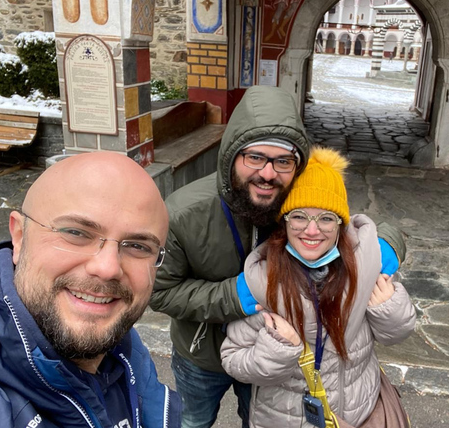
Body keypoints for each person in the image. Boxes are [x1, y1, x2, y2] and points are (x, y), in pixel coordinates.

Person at [150, 86, 405, 428]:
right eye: (255, 157)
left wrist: (383, 249)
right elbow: (160, 290)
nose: (268, 173)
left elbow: (341, 221)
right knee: (193, 421)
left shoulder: (293, 197)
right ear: (231, 156)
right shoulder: (183, 213)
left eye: (282, 161)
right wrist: (234, 296)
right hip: (202, 355)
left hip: (274, 356)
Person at [0, 152, 182, 428]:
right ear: (19, 237)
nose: (107, 268)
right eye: (76, 233)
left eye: (137, 246)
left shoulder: (116, 332)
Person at [220, 147, 416, 428]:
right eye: (299, 216)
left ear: (341, 224)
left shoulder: (364, 267)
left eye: (326, 218)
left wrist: (388, 307)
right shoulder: (263, 279)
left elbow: (396, 334)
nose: (312, 231)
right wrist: (277, 350)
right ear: (284, 222)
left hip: (359, 415)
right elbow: (234, 360)